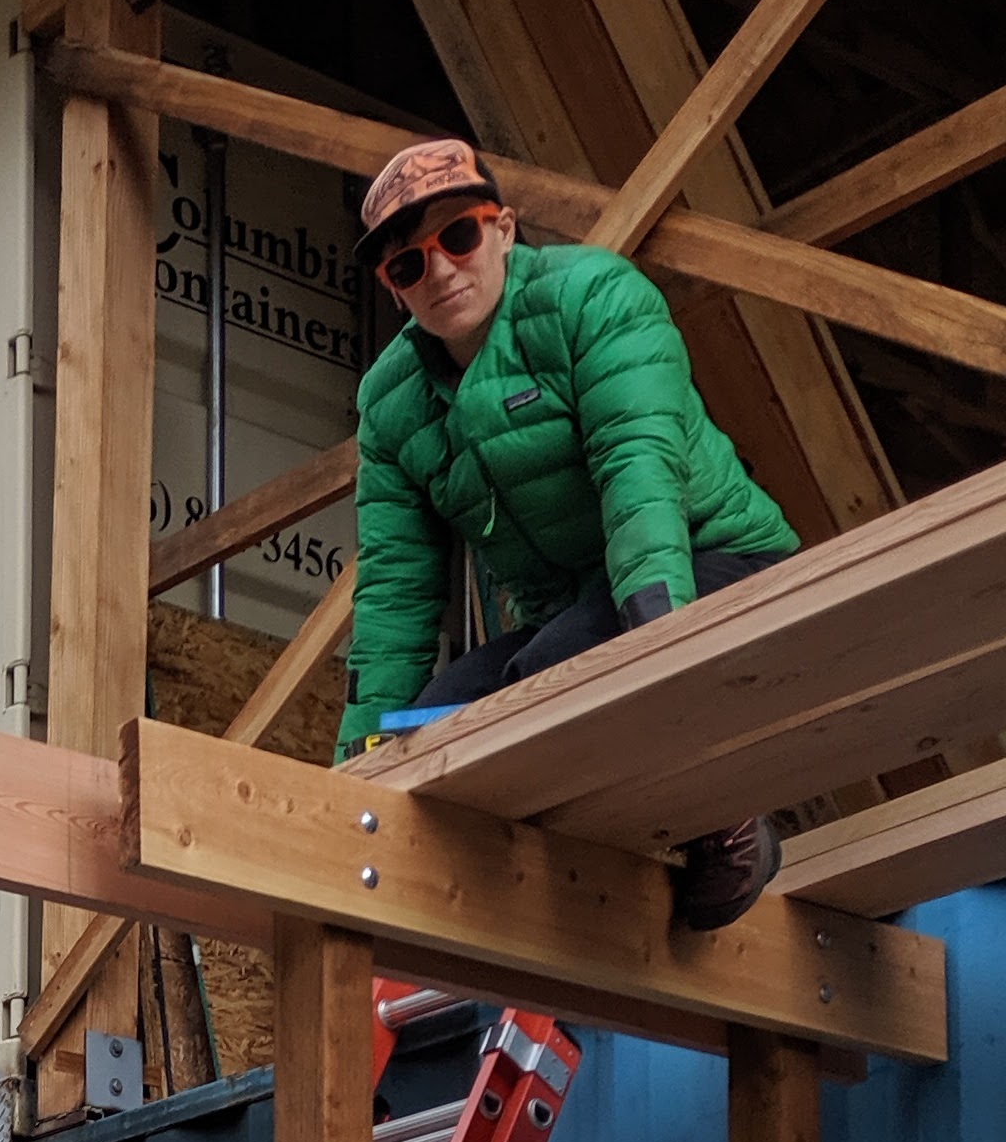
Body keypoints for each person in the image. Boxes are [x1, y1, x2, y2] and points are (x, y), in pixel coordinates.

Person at [338, 136, 801, 928]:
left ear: (506, 229)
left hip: (713, 560)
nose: (441, 269)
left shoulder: (596, 295)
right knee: (434, 726)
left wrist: (659, 634)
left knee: (552, 674)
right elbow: (395, 589)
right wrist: (354, 772)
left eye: (458, 236)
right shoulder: (390, 404)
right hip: (573, 608)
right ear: (393, 287)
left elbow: (639, 468)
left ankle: (727, 820)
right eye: (408, 264)